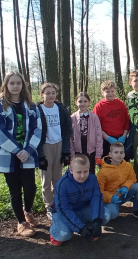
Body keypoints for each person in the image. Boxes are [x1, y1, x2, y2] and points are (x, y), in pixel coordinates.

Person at [0, 71, 42, 237]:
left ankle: (28, 211)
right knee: (15, 191)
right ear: (6, 85)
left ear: (23, 85)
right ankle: (21, 223)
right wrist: (17, 151)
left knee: (30, 187)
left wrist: (28, 150)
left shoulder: (31, 106)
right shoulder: (1, 105)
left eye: (19, 83)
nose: (15, 86)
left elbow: (37, 129)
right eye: (12, 83)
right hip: (8, 155)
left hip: (27, 154)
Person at [49, 154, 104, 246]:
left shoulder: (93, 179)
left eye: (85, 171)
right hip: (63, 212)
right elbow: (63, 209)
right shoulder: (62, 184)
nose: (82, 176)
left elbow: (97, 199)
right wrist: (80, 228)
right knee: (64, 234)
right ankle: (55, 232)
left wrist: (97, 221)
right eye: (78, 172)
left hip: (82, 209)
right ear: (71, 170)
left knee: (104, 216)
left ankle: (89, 227)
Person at [37, 83, 73, 220]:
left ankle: (58, 202)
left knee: (57, 177)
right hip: (45, 145)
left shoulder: (61, 108)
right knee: (46, 177)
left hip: (59, 144)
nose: (51, 95)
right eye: (48, 93)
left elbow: (66, 131)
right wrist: (40, 154)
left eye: (53, 92)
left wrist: (66, 152)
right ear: (42, 95)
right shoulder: (38, 109)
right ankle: (49, 205)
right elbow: (36, 133)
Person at [97, 142, 138, 223]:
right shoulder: (102, 172)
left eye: (121, 152)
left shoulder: (127, 165)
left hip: (124, 194)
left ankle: (137, 210)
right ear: (110, 154)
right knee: (113, 215)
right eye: (116, 152)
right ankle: (105, 208)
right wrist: (110, 198)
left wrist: (125, 186)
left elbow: (132, 178)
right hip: (112, 198)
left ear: (124, 154)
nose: (119, 155)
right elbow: (98, 191)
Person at [93, 80, 129, 158]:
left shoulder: (121, 104)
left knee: (122, 162)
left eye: (112, 91)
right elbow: (97, 126)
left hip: (121, 138)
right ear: (102, 92)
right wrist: (108, 138)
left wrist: (124, 136)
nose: (110, 93)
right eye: (107, 92)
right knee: (107, 163)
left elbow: (127, 121)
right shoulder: (98, 107)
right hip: (106, 139)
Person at [71, 92, 103, 174]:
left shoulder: (94, 117)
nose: (83, 104)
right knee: (79, 171)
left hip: (91, 151)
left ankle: (90, 186)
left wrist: (98, 154)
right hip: (78, 150)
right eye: (80, 101)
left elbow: (99, 136)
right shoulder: (72, 118)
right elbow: (70, 138)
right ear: (76, 102)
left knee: (90, 172)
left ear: (89, 102)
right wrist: (72, 154)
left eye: (85, 101)